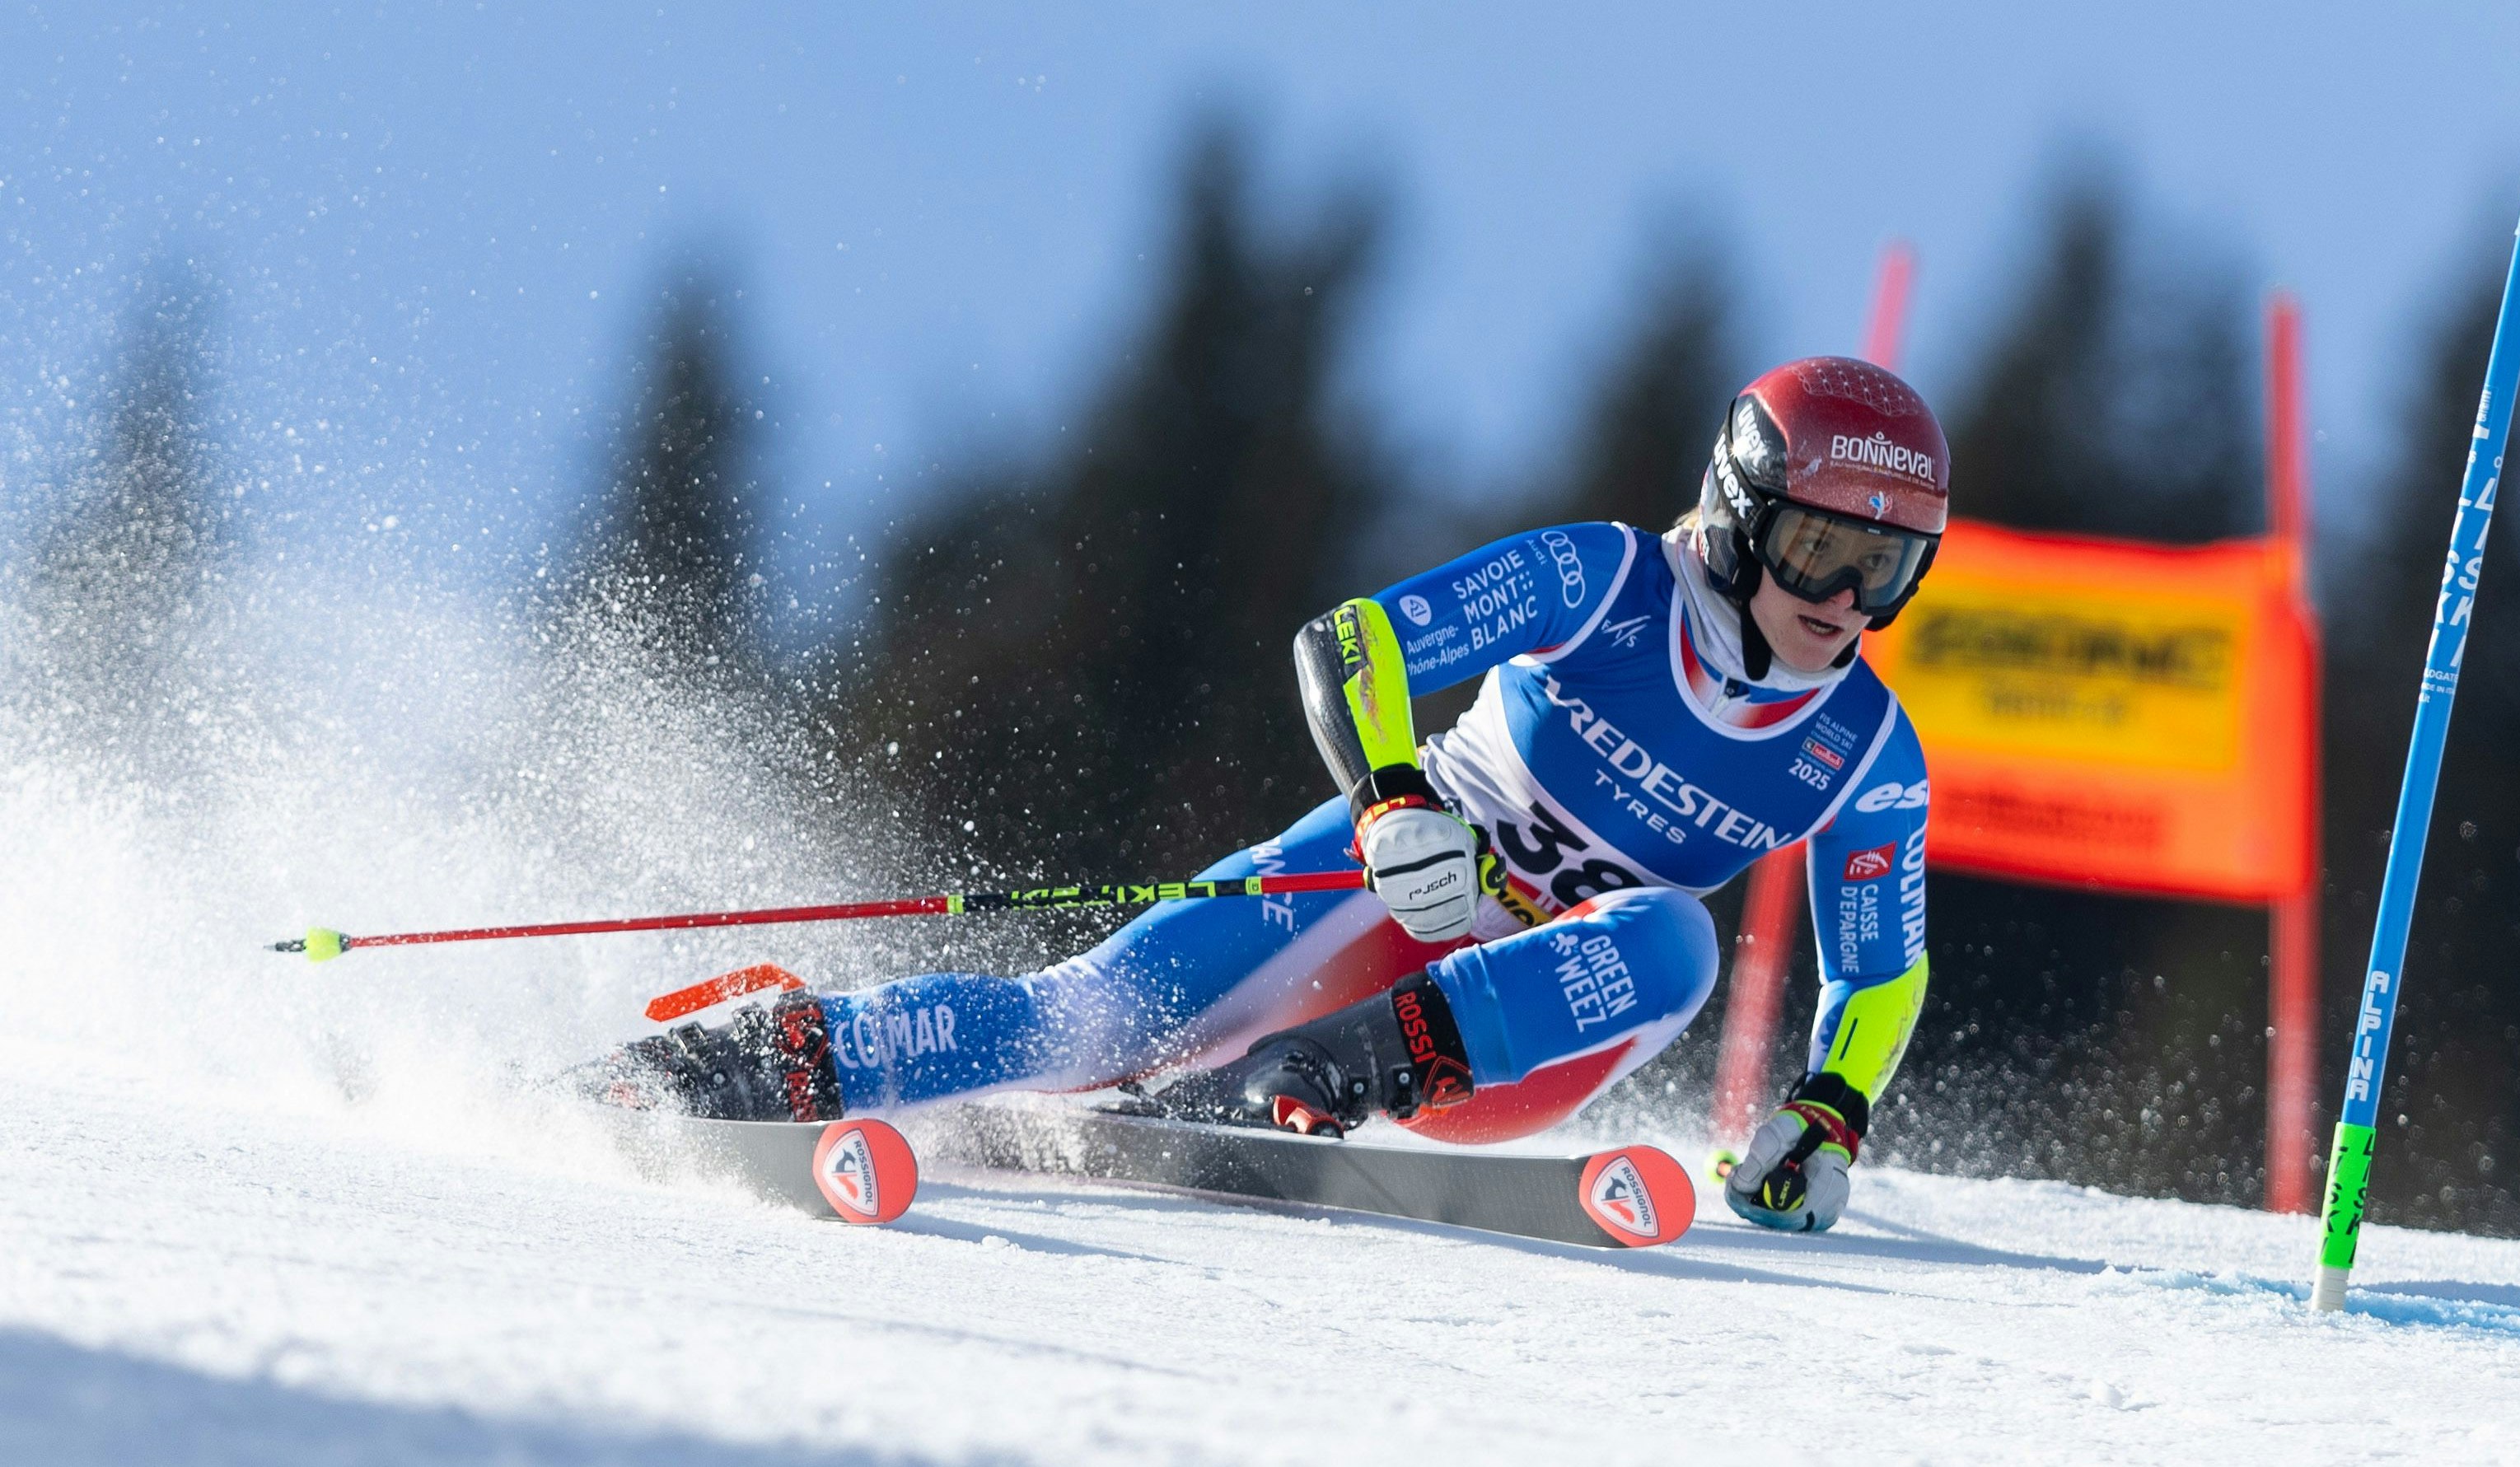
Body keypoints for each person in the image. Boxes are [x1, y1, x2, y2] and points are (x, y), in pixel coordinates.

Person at [610, 355, 1947, 1233]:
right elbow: (1353, 642)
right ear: (1739, 510)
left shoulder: (1870, 751)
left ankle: (1311, 1073)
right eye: (1819, 550)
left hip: (1515, 1030)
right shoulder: (1604, 580)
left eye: (1885, 571)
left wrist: (1827, 1110)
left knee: (1674, 937)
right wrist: (1387, 799)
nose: (1842, 602)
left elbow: (1881, 965)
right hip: (1392, 880)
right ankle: (747, 1058)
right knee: (1083, 1015)